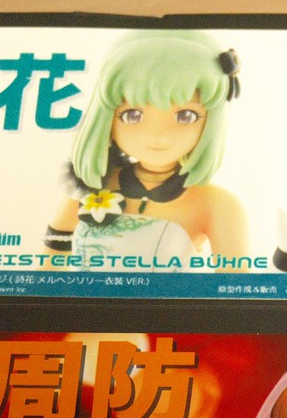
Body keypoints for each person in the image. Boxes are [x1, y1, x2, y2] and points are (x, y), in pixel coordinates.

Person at [44, 30, 248, 264]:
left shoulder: (215, 204)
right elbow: (49, 265)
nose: (157, 136)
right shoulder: (90, 186)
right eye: (132, 115)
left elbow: (236, 282)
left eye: (186, 116)